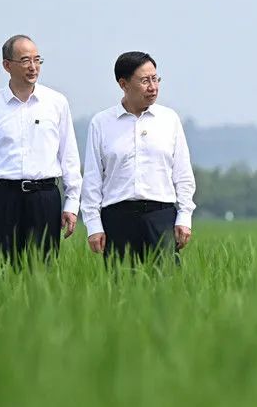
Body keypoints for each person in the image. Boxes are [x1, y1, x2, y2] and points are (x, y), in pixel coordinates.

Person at [0, 35, 82, 266]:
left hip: (45, 197)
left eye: (37, 60)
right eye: (25, 60)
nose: (33, 66)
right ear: (7, 65)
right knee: (5, 269)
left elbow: (69, 157)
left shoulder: (56, 103)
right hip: (5, 197)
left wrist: (72, 203)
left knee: (44, 271)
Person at [81, 51, 196, 266]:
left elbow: (183, 174)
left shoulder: (169, 119)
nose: (153, 87)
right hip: (118, 219)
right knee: (121, 290)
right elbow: (92, 179)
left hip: (161, 217)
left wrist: (184, 217)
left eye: (155, 79)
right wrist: (93, 226)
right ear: (123, 84)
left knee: (166, 289)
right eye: (145, 81)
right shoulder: (101, 123)